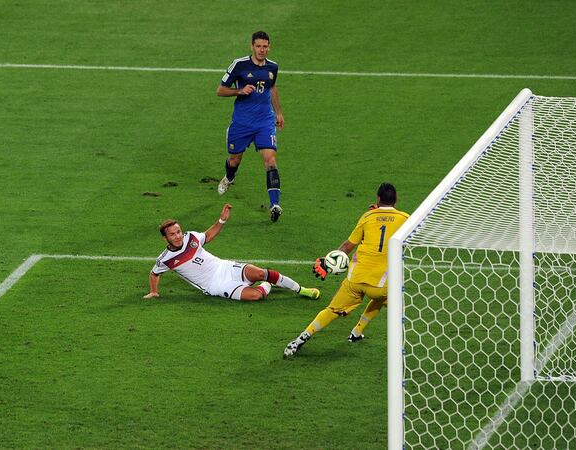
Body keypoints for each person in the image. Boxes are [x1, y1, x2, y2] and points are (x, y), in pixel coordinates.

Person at [283, 183, 409, 358]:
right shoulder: (405, 219)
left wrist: (328, 262)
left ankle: (300, 339)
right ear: (396, 200)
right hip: (380, 286)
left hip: (355, 280)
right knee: (384, 298)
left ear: (378, 199)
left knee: (332, 310)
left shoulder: (367, 216)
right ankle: (359, 332)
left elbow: (348, 246)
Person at [143, 203, 320, 301]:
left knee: (261, 272)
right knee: (256, 296)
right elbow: (154, 273)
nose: (177, 236)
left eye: (178, 231)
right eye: (172, 234)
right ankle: (267, 286)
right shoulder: (165, 259)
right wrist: (154, 291)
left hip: (225, 267)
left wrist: (221, 220)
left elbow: (208, 235)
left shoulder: (192, 237)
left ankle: (301, 290)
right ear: (165, 238)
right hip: (215, 286)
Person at [216, 31, 285, 222]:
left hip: (264, 122)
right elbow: (220, 90)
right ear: (252, 46)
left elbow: (272, 88)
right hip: (242, 123)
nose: (261, 50)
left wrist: (278, 112)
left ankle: (275, 204)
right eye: (258, 46)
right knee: (234, 160)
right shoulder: (239, 65)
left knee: (270, 160)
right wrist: (240, 90)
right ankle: (229, 178)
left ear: (269, 47)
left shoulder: (273, 67)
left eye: (265, 46)